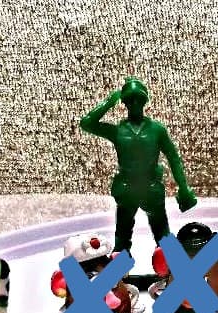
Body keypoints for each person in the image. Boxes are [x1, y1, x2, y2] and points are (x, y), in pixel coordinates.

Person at [80, 78, 197, 254]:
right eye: (130, 99)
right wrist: (109, 102)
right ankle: (119, 269)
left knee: (163, 237)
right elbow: (87, 123)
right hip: (127, 189)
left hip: (150, 188)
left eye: (138, 98)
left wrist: (183, 187)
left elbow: (173, 158)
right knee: (122, 239)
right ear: (125, 102)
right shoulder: (118, 130)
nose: (134, 103)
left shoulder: (156, 130)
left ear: (144, 100)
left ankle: (173, 266)